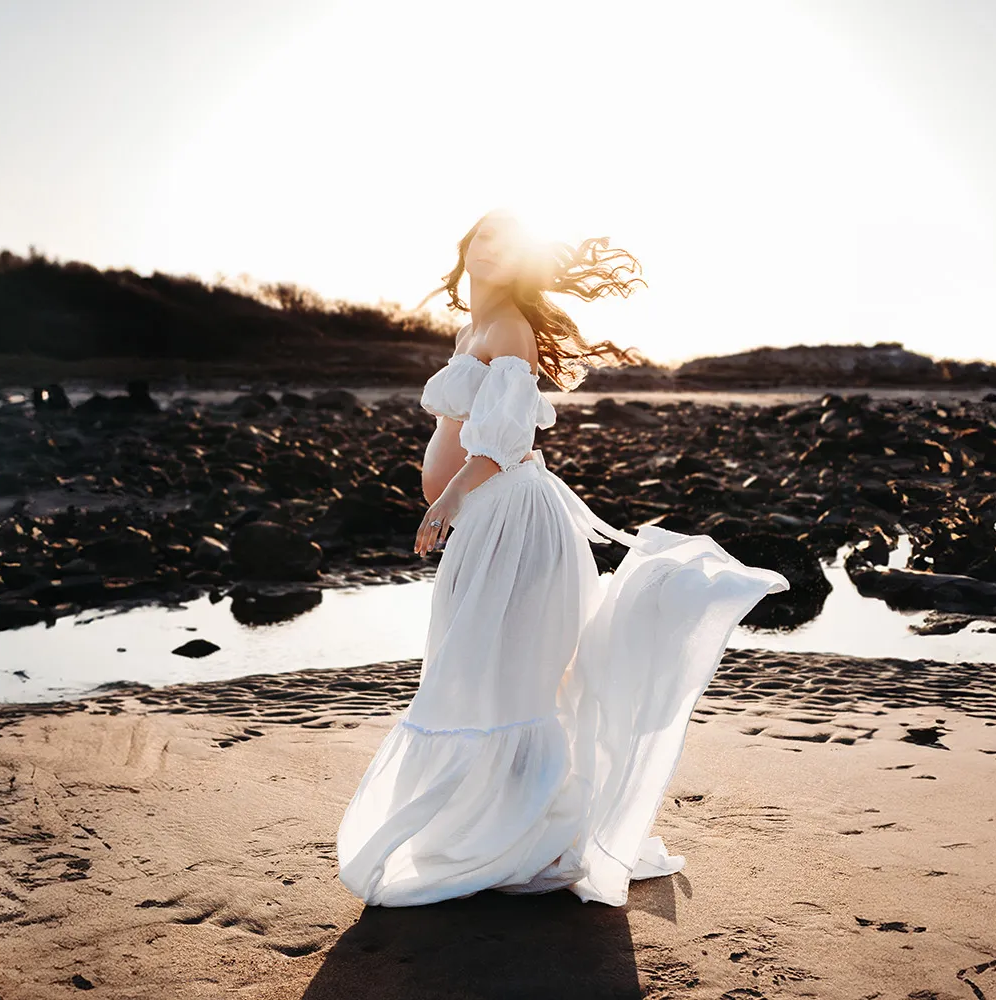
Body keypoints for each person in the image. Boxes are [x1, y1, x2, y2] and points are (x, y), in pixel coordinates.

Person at [335, 209, 790, 908]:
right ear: (466, 247)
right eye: (481, 239)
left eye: (505, 246)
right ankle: (483, 827)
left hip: (510, 519)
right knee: (474, 670)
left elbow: (507, 434)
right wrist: (457, 498)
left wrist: (450, 495)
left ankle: (517, 836)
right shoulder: (471, 329)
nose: (489, 253)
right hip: (488, 518)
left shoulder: (510, 327)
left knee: (498, 672)